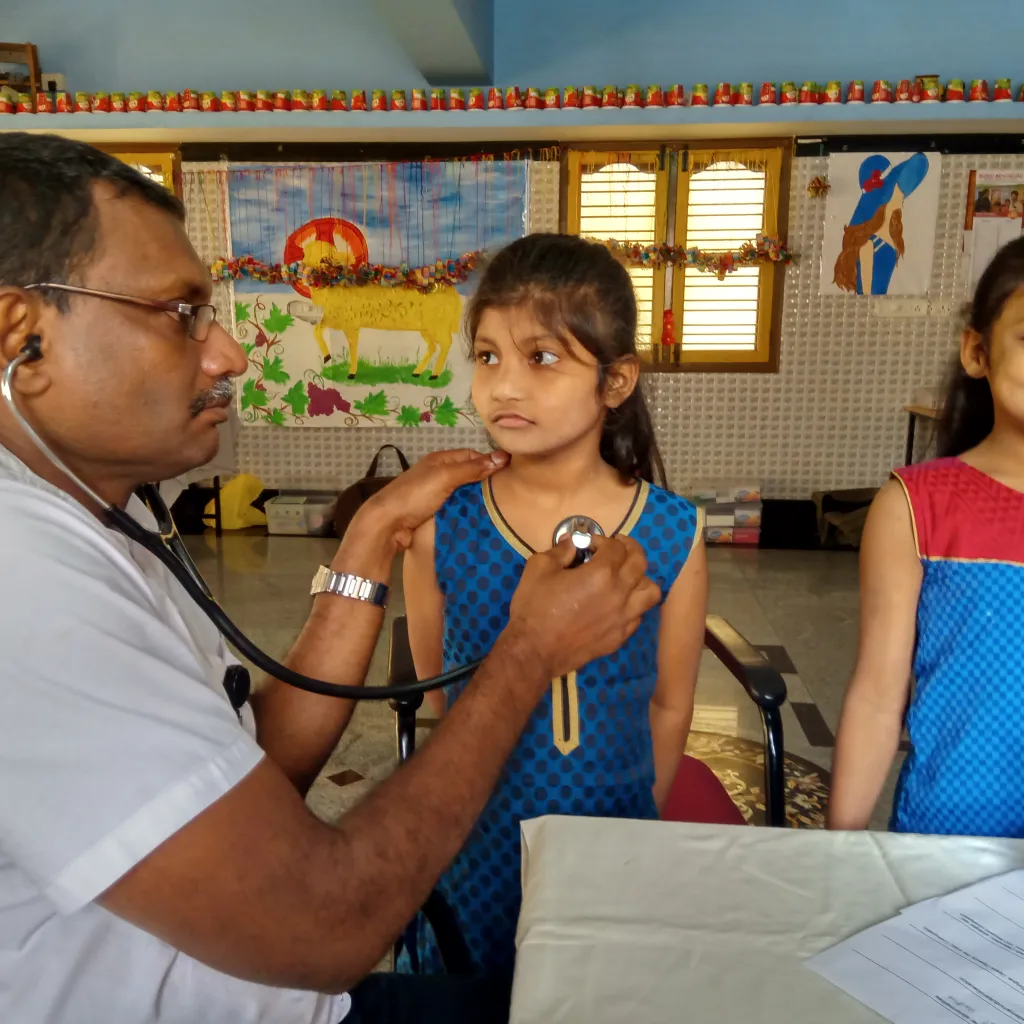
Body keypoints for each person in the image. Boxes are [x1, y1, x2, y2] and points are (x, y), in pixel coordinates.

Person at [0, 133, 662, 1024]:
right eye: (181, 313)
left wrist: (370, 541)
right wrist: (529, 652)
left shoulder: (96, 513)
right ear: (21, 338)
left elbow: (250, 777)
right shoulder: (23, 577)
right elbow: (327, 920)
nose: (228, 355)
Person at [401, 234, 708, 976]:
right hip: (476, 828)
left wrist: (637, 816)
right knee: (472, 986)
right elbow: (439, 691)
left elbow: (671, 703)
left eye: (541, 357)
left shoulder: (673, 530)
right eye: (487, 357)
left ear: (615, 381)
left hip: (614, 828)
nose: (505, 386)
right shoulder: (441, 525)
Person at [829, 236, 1024, 836]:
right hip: (947, 840)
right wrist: (838, 848)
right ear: (977, 351)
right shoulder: (915, 506)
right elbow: (878, 695)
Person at [833, 153, 930, 295]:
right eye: (897, 190)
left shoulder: (890, 237)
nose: (902, 196)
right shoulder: (869, 245)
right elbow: (866, 297)